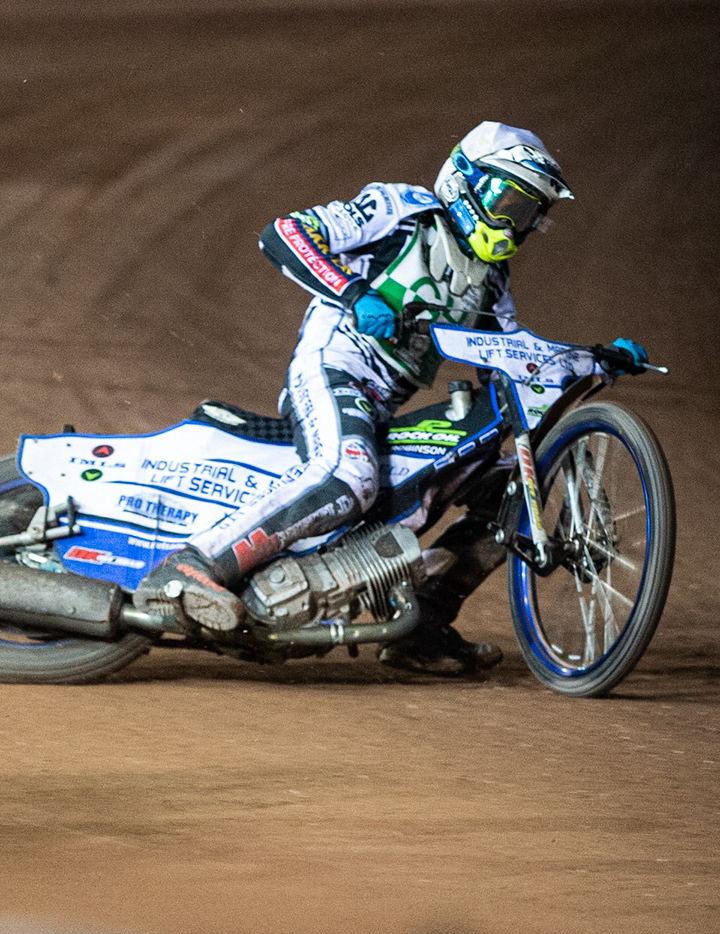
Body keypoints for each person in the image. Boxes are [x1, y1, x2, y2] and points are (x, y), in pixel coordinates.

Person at [132, 121, 650, 674]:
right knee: (349, 474)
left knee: (512, 486)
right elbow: (284, 233)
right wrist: (355, 293)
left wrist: (591, 359)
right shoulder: (401, 210)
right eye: (507, 202)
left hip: (379, 407)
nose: (512, 224)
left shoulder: (490, 281)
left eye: (526, 214)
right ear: (467, 181)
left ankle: (422, 623)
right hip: (332, 367)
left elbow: (509, 359)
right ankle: (191, 566)